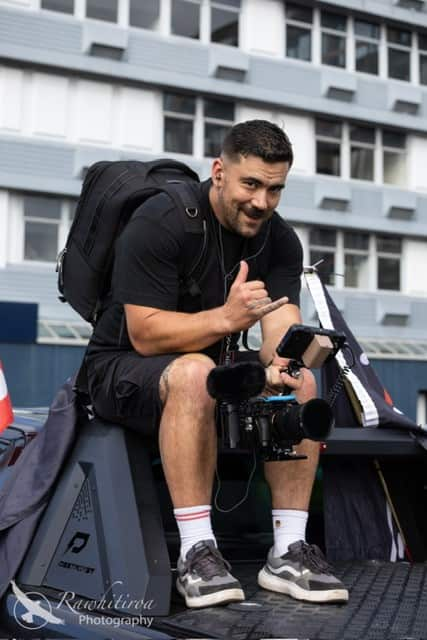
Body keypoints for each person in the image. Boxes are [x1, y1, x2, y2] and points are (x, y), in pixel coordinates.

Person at [85, 120, 349, 608]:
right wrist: (227, 318)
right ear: (220, 172)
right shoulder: (162, 221)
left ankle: (289, 549)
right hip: (120, 369)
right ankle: (196, 552)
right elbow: (144, 333)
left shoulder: (280, 240)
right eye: (251, 184)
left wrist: (283, 363)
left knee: (303, 381)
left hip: (208, 369)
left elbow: (279, 324)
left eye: (275, 189)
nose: (262, 202)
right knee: (193, 373)